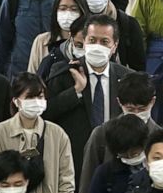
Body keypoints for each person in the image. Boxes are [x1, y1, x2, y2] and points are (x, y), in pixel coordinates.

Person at [45, 14, 133, 176]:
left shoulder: (127, 77)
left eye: (104, 42)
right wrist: (76, 92)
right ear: (84, 42)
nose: (97, 46)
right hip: (74, 161)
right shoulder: (64, 72)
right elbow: (46, 113)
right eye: (92, 40)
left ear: (114, 46)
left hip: (116, 159)